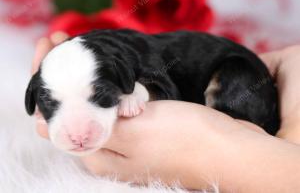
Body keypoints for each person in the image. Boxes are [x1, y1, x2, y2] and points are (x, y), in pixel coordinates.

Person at [32, 32, 300, 192]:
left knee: (233, 77)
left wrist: (221, 151)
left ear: (123, 77)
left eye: (100, 96)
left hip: (235, 69)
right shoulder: (98, 65)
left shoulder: (137, 62)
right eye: (53, 105)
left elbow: (166, 89)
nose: (77, 133)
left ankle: (248, 129)